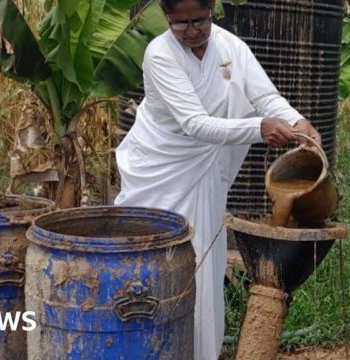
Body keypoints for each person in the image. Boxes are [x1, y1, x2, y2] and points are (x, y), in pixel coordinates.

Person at [114, 0, 321, 359]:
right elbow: (194, 124)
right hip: (161, 172)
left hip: (204, 173)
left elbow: (263, 96)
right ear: (166, 17)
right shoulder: (159, 54)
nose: (193, 32)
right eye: (182, 24)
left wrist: (296, 120)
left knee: (202, 268)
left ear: (212, 11)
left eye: (200, 20)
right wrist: (260, 128)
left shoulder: (229, 46)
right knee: (152, 269)